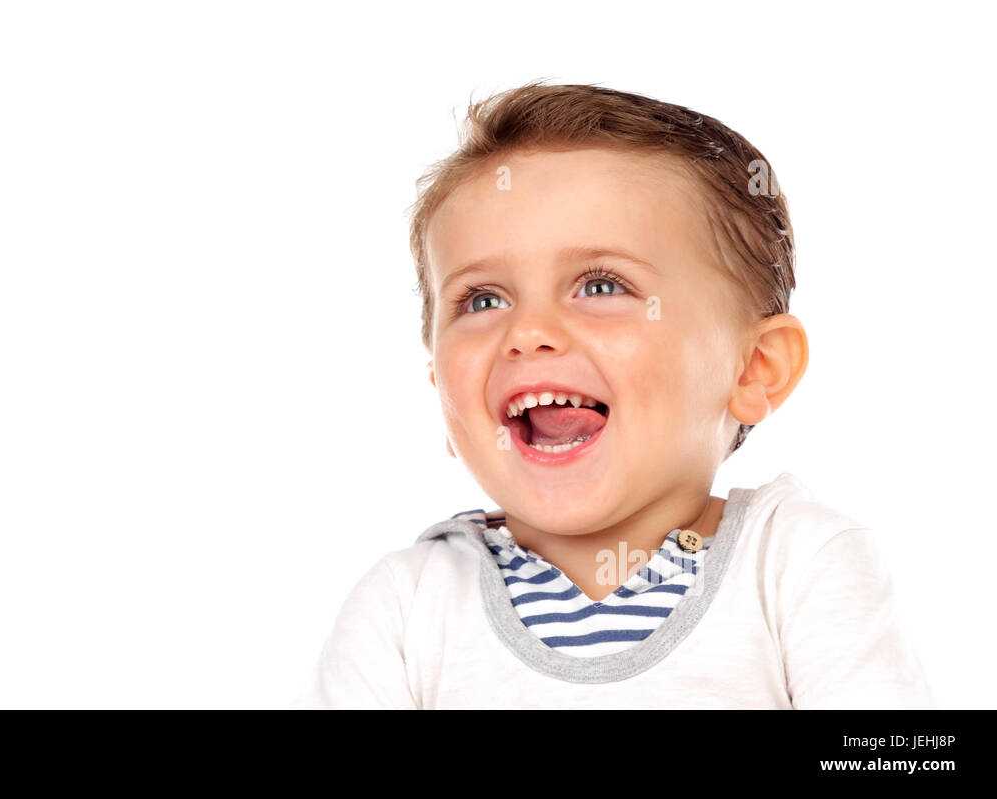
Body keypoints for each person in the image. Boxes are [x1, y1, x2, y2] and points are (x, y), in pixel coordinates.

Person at [291, 82, 935, 709]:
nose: (529, 332)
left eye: (600, 286)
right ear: (441, 387)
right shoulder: (407, 608)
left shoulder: (796, 565)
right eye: (482, 299)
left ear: (754, 369)